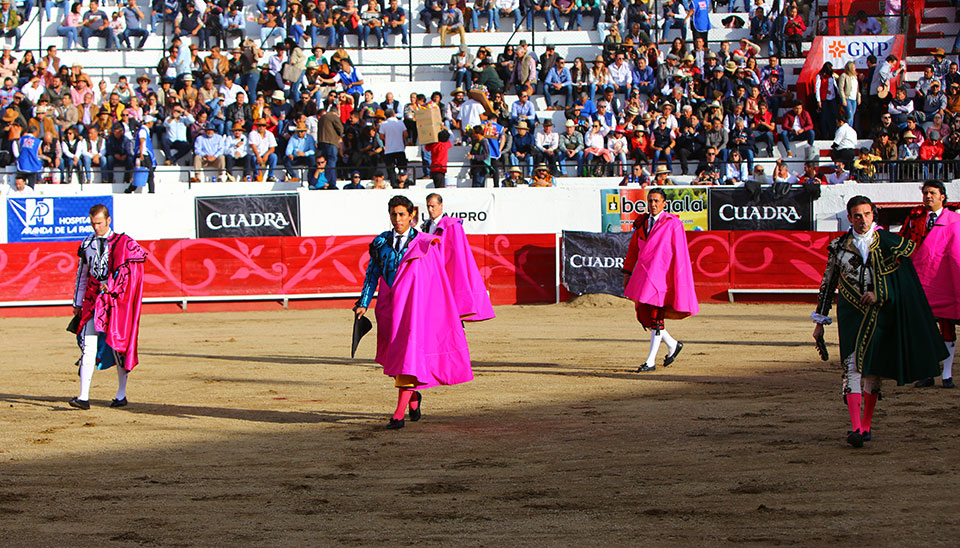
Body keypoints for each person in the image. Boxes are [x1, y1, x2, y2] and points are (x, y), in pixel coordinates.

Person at [813, 195, 946, 448]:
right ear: (849, 218)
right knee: (851, 366)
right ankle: (855, 427)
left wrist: (880, 294)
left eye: (867, 214)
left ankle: (865, 425)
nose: (862, 220)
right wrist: (820, 321)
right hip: (851, 312)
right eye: (857, 216)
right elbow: (828, 284)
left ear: (873, 215)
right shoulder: (839, 246)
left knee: (872, 370)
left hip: (880, 312)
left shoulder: (889, 243)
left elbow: (903, 281)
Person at [354, 195, 473, 429]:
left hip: (414, 311)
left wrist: (448, 312)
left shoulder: (425, 243)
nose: (397, 219)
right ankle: (413, 394)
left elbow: (437, 283)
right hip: (389, 309)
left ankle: (398, 415)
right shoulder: (381, 242)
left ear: (411, 216)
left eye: (402, 214)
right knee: (395, 360)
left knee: (407, 358)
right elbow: (372, 274)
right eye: (393, 214)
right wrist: (363, 302)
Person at [69, 204, 147, 410]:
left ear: (108, 220)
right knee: (88, 347)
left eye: (99, 223)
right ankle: (83, 397)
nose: (96, 227)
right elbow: (82, 275)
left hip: (116, 302)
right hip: (93, 300)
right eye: (93, 224)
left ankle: (121, 394)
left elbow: (131, 273)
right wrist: (77, 303)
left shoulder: (124, 243)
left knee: (117, 346)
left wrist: (113, 286)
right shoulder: (87, 244)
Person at [623, 188, 698, 372]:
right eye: (650, 201)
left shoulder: (673, 224)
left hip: (662, 279)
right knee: (645, 317)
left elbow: (679, 255)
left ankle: (650, 362)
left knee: (656, 318)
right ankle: (672, 345)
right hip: (644, 277)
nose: (653, 204)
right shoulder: (642, 223)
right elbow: (633, 250)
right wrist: (627, 273)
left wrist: (676, 280)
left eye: (656, 201)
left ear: (664, 203)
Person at [899, 181, 959, 389]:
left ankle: (947, 374)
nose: (928, 196)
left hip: (945, 280)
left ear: (943, 196)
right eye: (925, 193)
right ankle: (928, 372)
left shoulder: (955, 220)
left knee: (947, 326)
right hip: (920, 278)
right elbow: (903, 242)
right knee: (923, 327)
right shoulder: (915, 219)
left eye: (932, 193)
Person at [421, 192, 495, 321]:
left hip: (447, 266)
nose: (430, 209)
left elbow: (457, 251)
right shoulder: (426, 225)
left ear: (441, 205)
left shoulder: (452, 225)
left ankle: (459, 324)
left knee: (451, 298)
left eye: (433, 206)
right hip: (432, 267)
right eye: (428, 206)